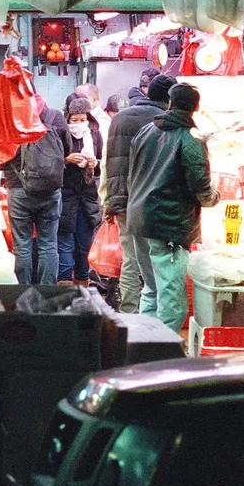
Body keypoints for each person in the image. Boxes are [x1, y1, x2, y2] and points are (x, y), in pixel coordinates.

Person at [125, 83, 220, 335]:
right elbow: (201, 186)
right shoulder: (190, 138)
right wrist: (214, 198)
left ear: (170, 102)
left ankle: (144, 344)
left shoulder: (145, 131)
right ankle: (163, 349)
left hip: (138, 218)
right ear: (196, 107)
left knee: (151, 288)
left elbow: (131, 174)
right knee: (171, 296)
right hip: (168, 224)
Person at [103, 73, 174, 311]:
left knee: (131, 259)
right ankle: (155, 313)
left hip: (125, 199)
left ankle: (129, 311)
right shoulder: (165, 121)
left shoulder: (120, 119)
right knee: (158, 259)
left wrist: (111, 200)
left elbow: (111, 163)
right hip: (156, 202)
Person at [0, 102, 69, 285]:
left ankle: (22, 293)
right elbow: (66, 150)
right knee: (48, 244)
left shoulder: (9, 121)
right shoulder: (55, 117)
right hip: (50, 189)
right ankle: (47, 293)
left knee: (22, 246)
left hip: (18, 189)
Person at [58, 94, 104, 284]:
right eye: (74, 120)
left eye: (82, 119)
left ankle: (83, 283)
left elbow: (101, 161)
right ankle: (64, 283)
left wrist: (95, 163)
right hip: (65, 195)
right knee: (65, 244)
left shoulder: (94, 134)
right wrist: (66, 160)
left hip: (88, 197)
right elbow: (51, 162)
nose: (78, 123)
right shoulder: (59, 133)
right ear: (67, 118)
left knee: (85, 245)